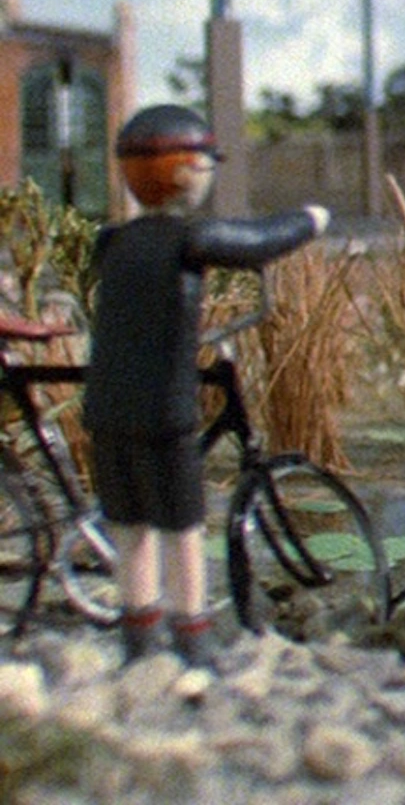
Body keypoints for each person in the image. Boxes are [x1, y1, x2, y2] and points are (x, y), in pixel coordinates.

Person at [83, 104, 330, 665]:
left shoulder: (112, 242)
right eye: (204, 165)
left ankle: (138, 642)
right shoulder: (190, 239)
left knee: (130, 527)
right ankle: (192, 640)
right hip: (162, 411)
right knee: (183, 527)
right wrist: (311, 219)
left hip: (107, 407)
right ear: (185, 173)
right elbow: (256, 240)